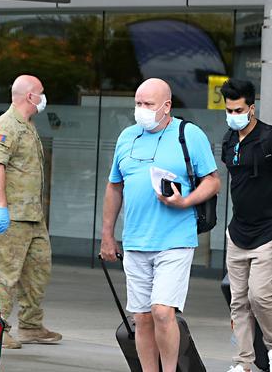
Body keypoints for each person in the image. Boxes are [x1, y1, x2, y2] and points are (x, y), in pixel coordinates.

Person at [100, 78, 220, 372]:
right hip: (136, 241)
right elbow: (114, 187)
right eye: (138, 104)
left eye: (148, 104)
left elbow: (213, 181)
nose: (141, 110)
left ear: (166, 106)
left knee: (162, 312)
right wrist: (107, 235)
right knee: (141, 317)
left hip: (175, 239)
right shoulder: (127, 137)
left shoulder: (188, 135)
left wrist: (186, 201)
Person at [0, 74, 61, 349]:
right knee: (4, 275)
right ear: (30, 96)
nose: (43, 98)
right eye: (41, 93)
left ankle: (31, 325)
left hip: (32, 216)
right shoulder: (6, 125)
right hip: (9, 216)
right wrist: (2, 207)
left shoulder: (28, 125)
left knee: (38, 269)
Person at [220, 78, 272, 372]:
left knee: (260, 297)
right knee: (238, 302)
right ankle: (243, 362)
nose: (232, 115)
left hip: (267, 232)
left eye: (238, 109)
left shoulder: (268, 138)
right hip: (237, 232)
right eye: (228, 109)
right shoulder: (229, 139)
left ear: (251, 108)